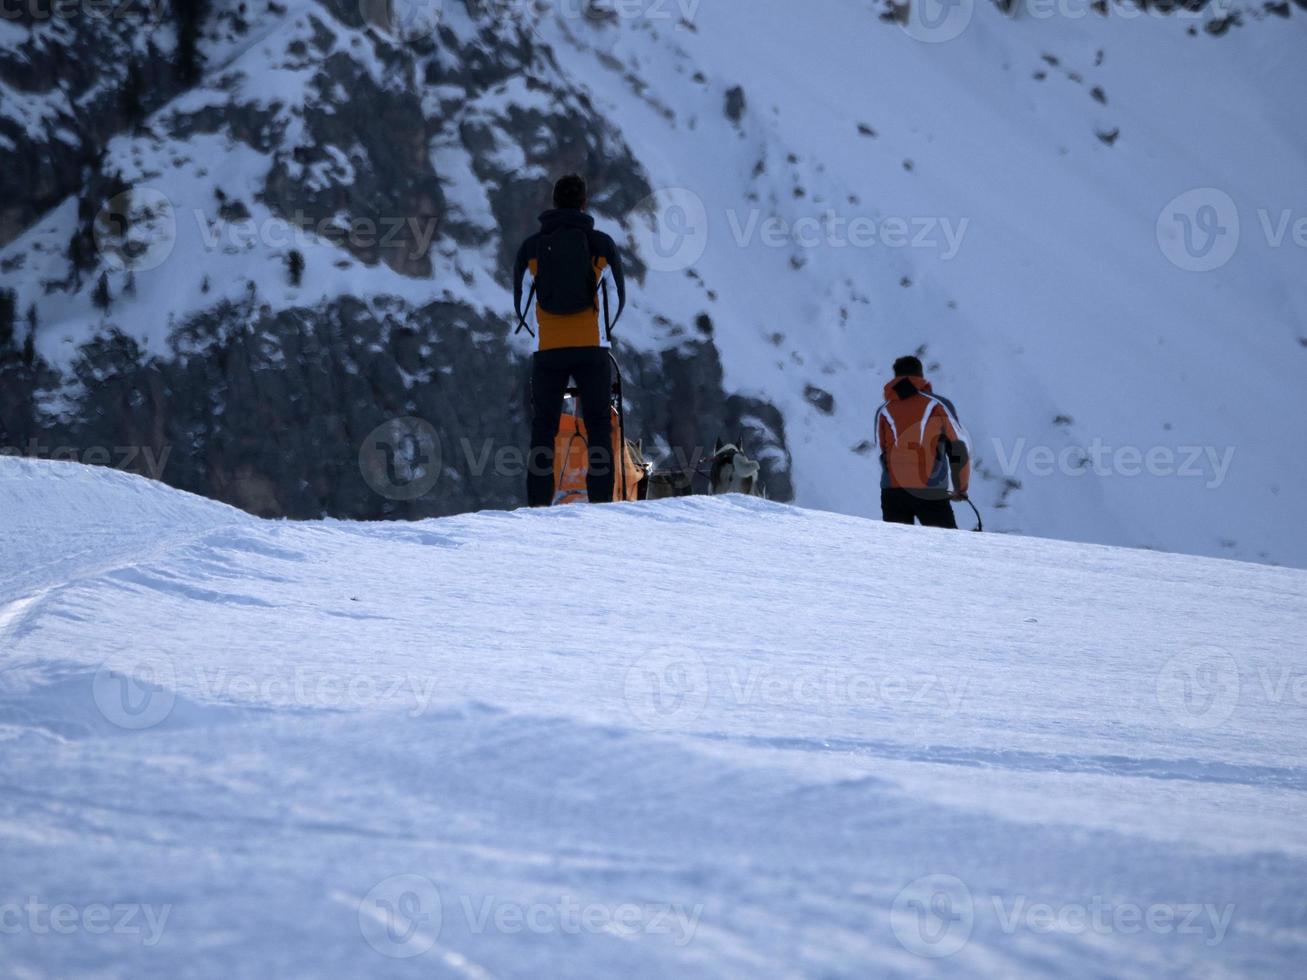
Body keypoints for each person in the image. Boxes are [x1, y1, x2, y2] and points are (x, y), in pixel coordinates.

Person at [514, 175, 626, 507]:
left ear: (553, 202)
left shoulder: (532, 247)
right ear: (584, 203)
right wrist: (602, 332)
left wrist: (543, 332)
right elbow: (617, 298)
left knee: (543, 428)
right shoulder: (600, 244)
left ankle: (537, 505)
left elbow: (521, 304)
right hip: (592, 349)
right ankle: (602, 503)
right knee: (598, 427)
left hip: (548, 351)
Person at [874, 355, 971, 528]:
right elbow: (958, 447)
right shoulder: (937, 405)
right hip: (929, 490)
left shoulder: (883, 410)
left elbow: (881, 451)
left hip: (893, 492)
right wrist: (960, 487)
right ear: (921, 376)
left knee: (898, 550)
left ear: (895, 377)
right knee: (947, 549)